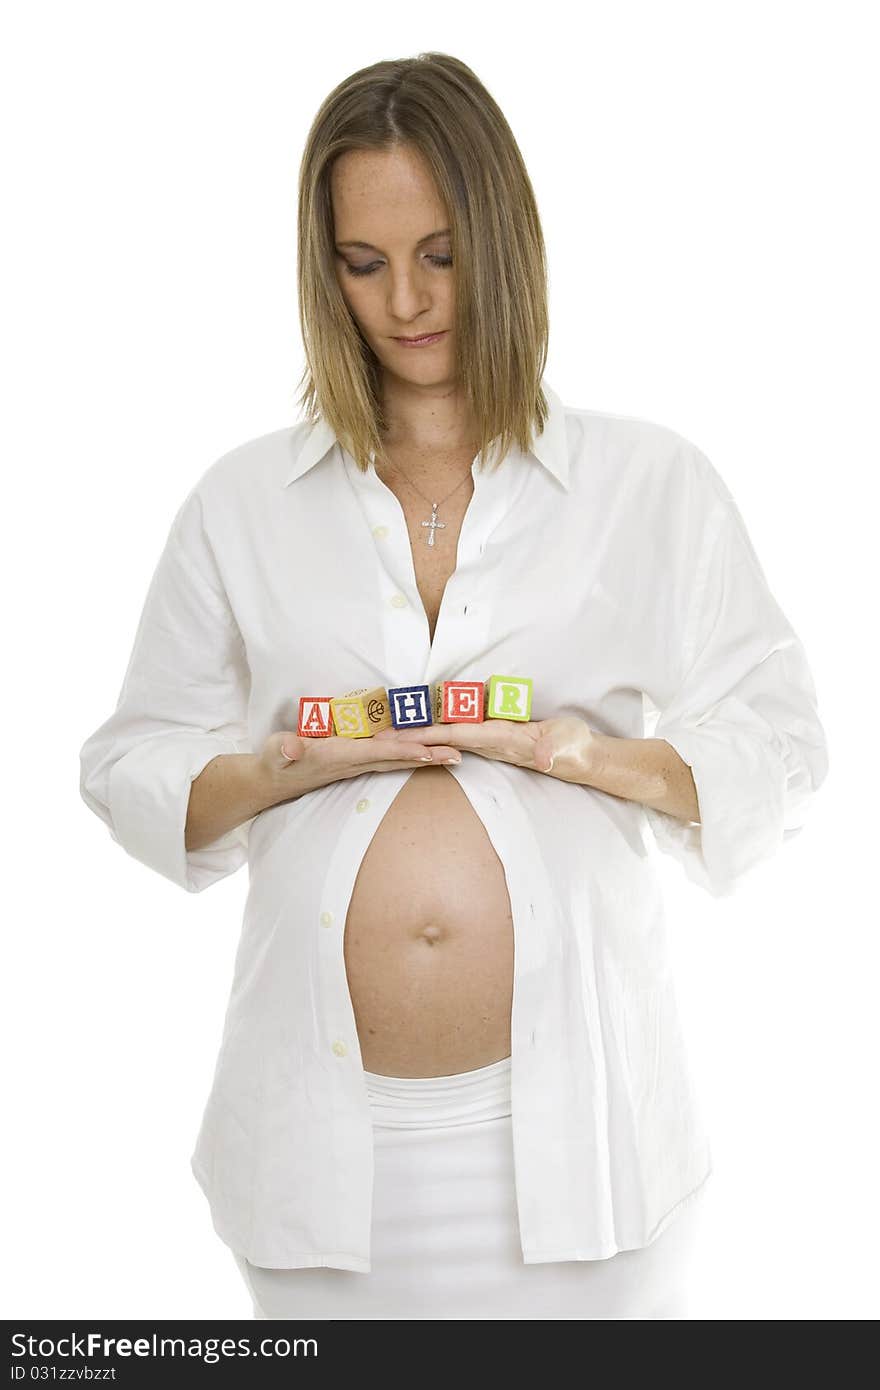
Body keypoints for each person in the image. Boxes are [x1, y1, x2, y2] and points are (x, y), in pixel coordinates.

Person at [78, 52, 829, 1320]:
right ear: (324, 272)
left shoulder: (650, 482)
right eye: (363, 265)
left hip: (590, 1143)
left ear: (504, 238)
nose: (408, 302)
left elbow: (783, 738)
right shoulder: (241, 501)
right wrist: (277, 770)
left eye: (440, 252)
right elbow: (126, 760)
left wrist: (592, 758)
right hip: (316, 1150)